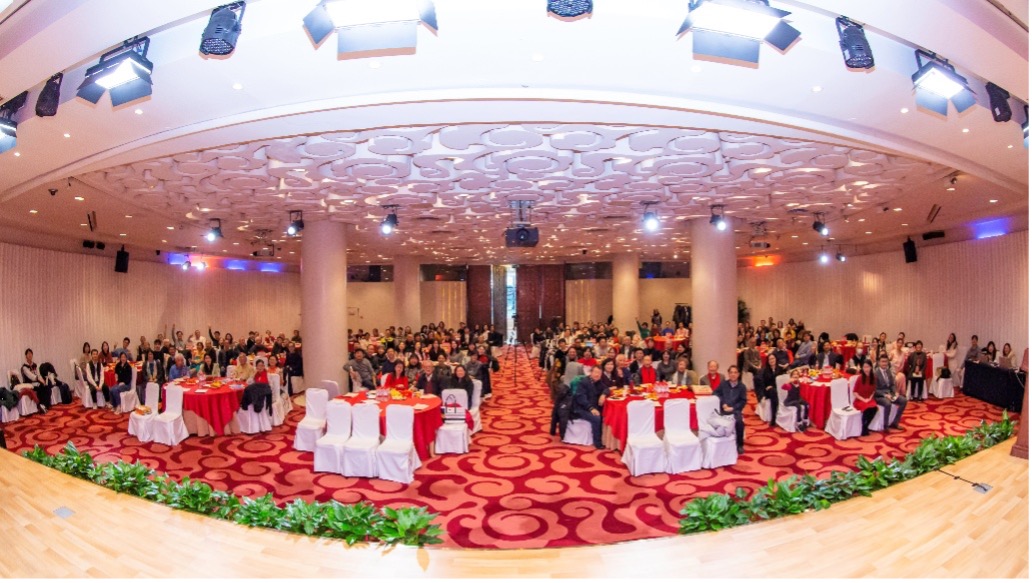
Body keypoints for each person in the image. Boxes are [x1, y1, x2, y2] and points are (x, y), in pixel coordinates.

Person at [715, 365, 747, 454]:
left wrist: (733, 408)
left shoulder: (742, 387)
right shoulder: (723, 384)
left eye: (735, 372)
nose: (733, 374)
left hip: (735, 410)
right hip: (724, 409)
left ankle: (739, 445)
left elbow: (743, 401)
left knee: (740, 422)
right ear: (728, 374)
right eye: (731, 372)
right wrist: (723, 403)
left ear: (738, 374)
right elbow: (716, 393)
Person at [570, 370, 605, 449]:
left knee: (604, 412)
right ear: (591, 373)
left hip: (590, 406)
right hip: (580, 408)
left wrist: (603, 394)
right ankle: (597, 442)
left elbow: (606, 388)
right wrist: (591, 408)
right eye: (596, 372)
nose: (597, 375)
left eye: (599, 373)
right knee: (596, 418)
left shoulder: (598, 382)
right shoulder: (583, 382)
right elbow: (581, 398)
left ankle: (604, 437)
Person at [874, 354, 907, 429]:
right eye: (882, 361)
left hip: (890, 394)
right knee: (888, 403)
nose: (884, 363)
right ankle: (885, 426)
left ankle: (895, 422)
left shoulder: (888, 371)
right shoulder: (875, 373)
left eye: (886, 361)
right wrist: (885, 395)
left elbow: (892, 384)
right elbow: (874, 390)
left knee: (903, 401)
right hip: (880, 396)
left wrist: (895, 392)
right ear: (879, 362)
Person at [852, 360, 880, 436]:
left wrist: (870, 398)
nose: (866, 369)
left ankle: (866, 426)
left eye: (867, 367)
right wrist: (864, 400)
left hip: (869, 399)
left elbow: (873, 390)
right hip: (860, 400)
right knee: (867, 408)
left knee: (874, 408)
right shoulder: (860, 378)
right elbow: (855, 392)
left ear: (871, 367)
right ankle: (864, 428)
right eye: (864, 367)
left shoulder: (874, 378)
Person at [754, 353, 780, 428]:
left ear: (776, 359)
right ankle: (773, 417)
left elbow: (781, 381)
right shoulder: (765, 370)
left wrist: (773, 386)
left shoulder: (780, 369)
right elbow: (762, 383)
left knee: (774, 390)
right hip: (768, 391)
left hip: (778, 389)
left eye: (773, 358)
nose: (772, 360)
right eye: (770, 359)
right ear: (768, 361)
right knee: (772, 391)